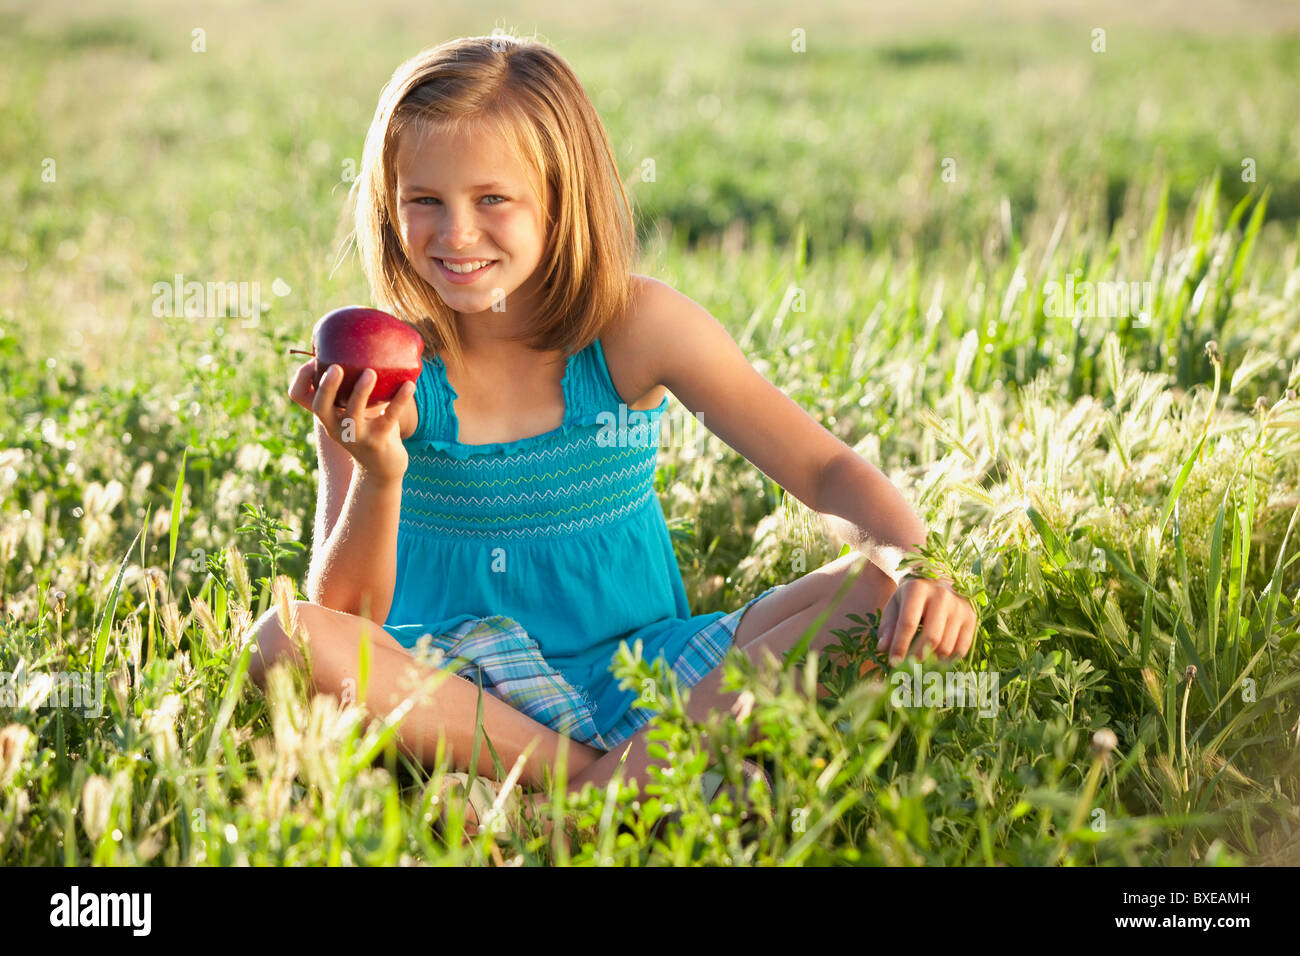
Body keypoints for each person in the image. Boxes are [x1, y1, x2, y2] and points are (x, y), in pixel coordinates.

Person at [248, 33, 977, 823]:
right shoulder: (380, 373)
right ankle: (607, 787)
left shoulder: (635, 327)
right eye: (424, 200)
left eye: (493, 199)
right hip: (462, 704)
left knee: (877, 591)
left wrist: (916, 564)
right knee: (283, 641)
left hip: (655, 680)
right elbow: (345, 616)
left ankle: (577, 799)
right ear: (389, 206)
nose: (456, 234)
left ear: (564, 196)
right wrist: (380, 471)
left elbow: (826, 472)